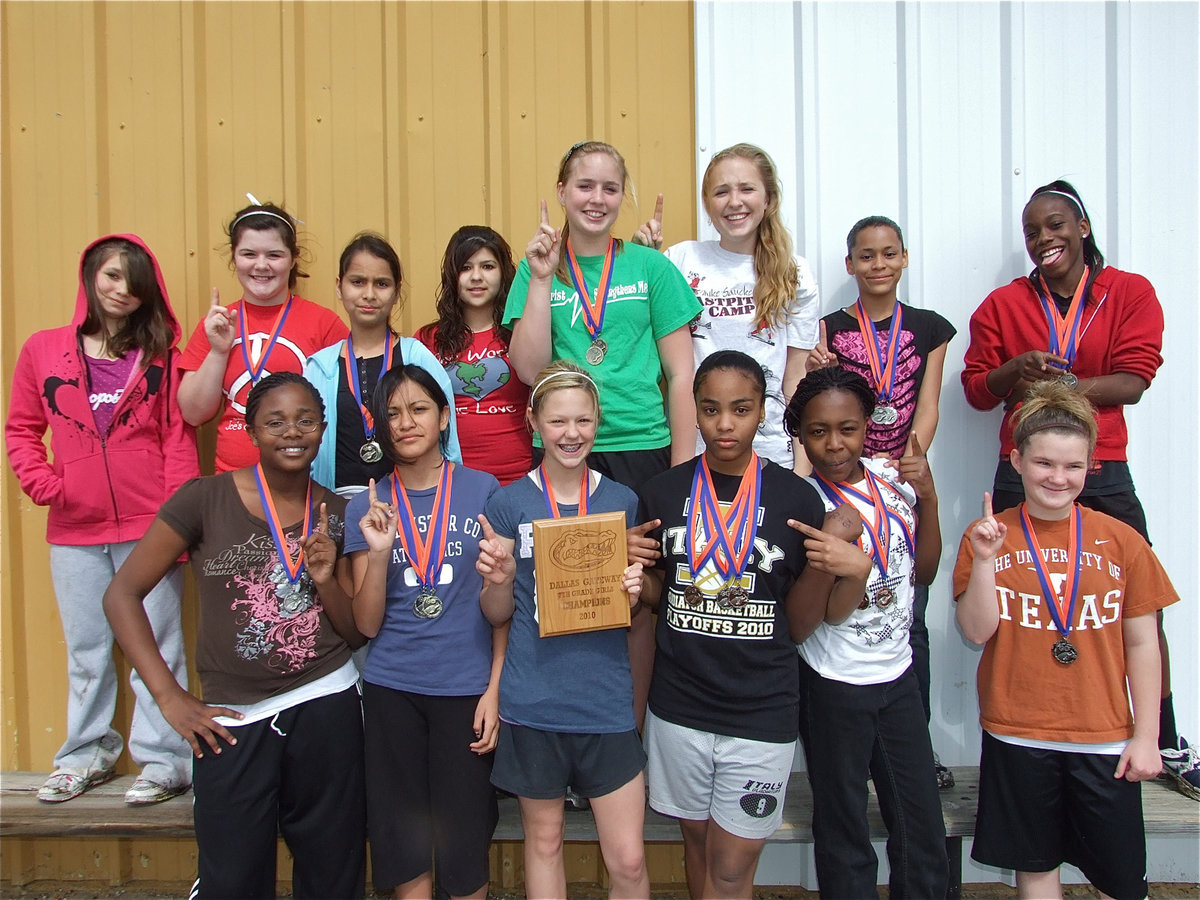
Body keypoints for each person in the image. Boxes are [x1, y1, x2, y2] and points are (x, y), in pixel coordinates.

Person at [961, 179, 1193, 794]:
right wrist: (1015, 370)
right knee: (1015, 597)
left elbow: (1134, 380)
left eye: (1055, 225)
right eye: (1032, 231)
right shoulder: (1003, 304)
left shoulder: (1129, 292)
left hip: (1099, 468)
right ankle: (1016, 735)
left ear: (1083, 228)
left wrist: (1048, 393)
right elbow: (978, 389)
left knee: (1136, 603)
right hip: (1025, 471)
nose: (1044, 239)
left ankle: (1164, 738)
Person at [103, 372, 366, 900]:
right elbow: (121, 595)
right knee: (232, 877)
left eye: (306, 420)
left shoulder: (337, 512)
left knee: (333, 873)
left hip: (327, 705)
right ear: (251, 431)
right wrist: (170, 699)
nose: (292, 432)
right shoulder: (204, 499)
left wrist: (323, 580)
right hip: (231, 721)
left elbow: (355, 631)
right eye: (275, 421)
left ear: (322, 429)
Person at [635, 350, 862, 899]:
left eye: (741, 409)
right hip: (680, 704)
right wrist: (633, 578)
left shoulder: (794, 498)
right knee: (695, 845)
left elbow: (800, 626)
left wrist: (830, 555)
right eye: (711, 409)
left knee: (732, 867)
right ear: (694, 409)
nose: (725, 424)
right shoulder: (663, 494)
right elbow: (656, 595)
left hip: (761, 708)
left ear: (763, 410)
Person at [954, 380, 1178, 899]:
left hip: (1105, 737)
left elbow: (1144, 644)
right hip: (1018, 733)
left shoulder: (1122, 540)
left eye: (1072, 466)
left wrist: (1148, 737)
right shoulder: (987, 535)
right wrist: (986, 561)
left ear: (1091, 467)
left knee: (1121, 881)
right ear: (1016, 461)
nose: (1057, 477)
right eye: (1044, 464)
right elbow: (974, 631)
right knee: (1036, 869)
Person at [505, 140, 701, 733]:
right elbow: (527, 368)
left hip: (645, 450)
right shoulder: (536, 266)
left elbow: (681, 374)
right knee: (569, 591)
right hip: (568, 451)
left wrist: (683, 474)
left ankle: (626, 732)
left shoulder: (651, 269)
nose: (596, 199)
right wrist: (541, 281)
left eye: (609, 188)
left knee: (638, 599)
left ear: (623, 196)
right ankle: (567, 724)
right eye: (584, 186)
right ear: (561, 191)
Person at [5, 234, 197, 806]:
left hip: (148, 528)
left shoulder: (160, 356)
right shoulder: (44, 351)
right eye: (112, 277)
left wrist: (176, 521)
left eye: (134, 284)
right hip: (74, 529)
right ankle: (85, 754)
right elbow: (19, 428)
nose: (121, 292)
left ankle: (165, 761)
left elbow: (177, 438)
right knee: (88, 649)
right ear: (89, 276)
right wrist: (44, 484)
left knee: (160, 647)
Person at [475, 361, 650, 899]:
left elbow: (634, 610)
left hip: (604, 700)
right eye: (557, 422)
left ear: (599, 421)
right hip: (534, 699)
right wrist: (499, 578)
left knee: (627, 859)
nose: (570, 434)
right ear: (533, 423)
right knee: (544, 842)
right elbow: (495, 613)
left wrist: (634, 591)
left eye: (582, 420)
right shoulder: (507, 504)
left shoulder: (621, 502)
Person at [783, 366, 948, 899]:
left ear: (867, 426)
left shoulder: (893, 483)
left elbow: (923, 574)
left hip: (897, 676)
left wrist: (930, 499)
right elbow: (809, 622)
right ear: (799, 435)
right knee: (843, 823)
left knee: (920, 819)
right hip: (833, 684)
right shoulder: (802, 506)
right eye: (818, 432)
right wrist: (837, 563)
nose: (834, 444)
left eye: (847, 428)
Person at [807, 214, 957, 786]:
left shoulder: (929, 328)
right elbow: (822, 403)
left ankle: (917, 748)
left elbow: (927, 403)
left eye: (888, 253)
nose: (878, 264)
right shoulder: (826, 327)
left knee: (908, 615)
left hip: (897, 479)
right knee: (843, 605)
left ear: (904, 258)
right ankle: (845, 751)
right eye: (865, 256)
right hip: (846, 482)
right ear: (849, 264)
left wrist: (912, 462)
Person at [344, 364, 503, 900]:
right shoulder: (367, 505)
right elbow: (365, 625)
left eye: (418, 409)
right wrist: (381, 550)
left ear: (443, 417)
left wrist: (495, 690)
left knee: (464, 843)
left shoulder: (485, 492)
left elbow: (503, 611)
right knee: (402, 842)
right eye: (392, 413)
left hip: (466, 690)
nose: (405, 422)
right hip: (392, 692)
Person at [634, 143, 821, 470]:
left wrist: (802, 470)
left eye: (747, 189)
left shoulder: (796, 274)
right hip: (695, 454)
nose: (734, 201)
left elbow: (796, 381)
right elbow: (639, 339)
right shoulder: (679, 260)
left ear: (769, 199)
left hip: (771, 454)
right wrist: (642, 260)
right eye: (721, 192)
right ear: (707, 205)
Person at [178, 200, 347, 472]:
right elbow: (193, 413)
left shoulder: (324, 323)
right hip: (232, 485)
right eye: (249, 254)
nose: (261, 265)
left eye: (274, 255)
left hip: (306, 482)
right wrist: (218, 351)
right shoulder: (218, 323)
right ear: (234, 257)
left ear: (293, 259)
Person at [305, 231, 460, 495]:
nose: (369, 294)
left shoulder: (418, 358)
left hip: (410, 505)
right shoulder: (319, 368)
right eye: (357, 282)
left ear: (397, 291)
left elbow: (449, 443)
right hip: (336, 505)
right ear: (339, 287)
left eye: (381, 284)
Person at [416, 225, 530, 485]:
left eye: (488, 266)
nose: (476, 277)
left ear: (504, 273)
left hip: (520, 477)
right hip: (452, 480)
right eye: (466, 268)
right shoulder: (426, 340)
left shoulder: (523, 332)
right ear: (452, 276)